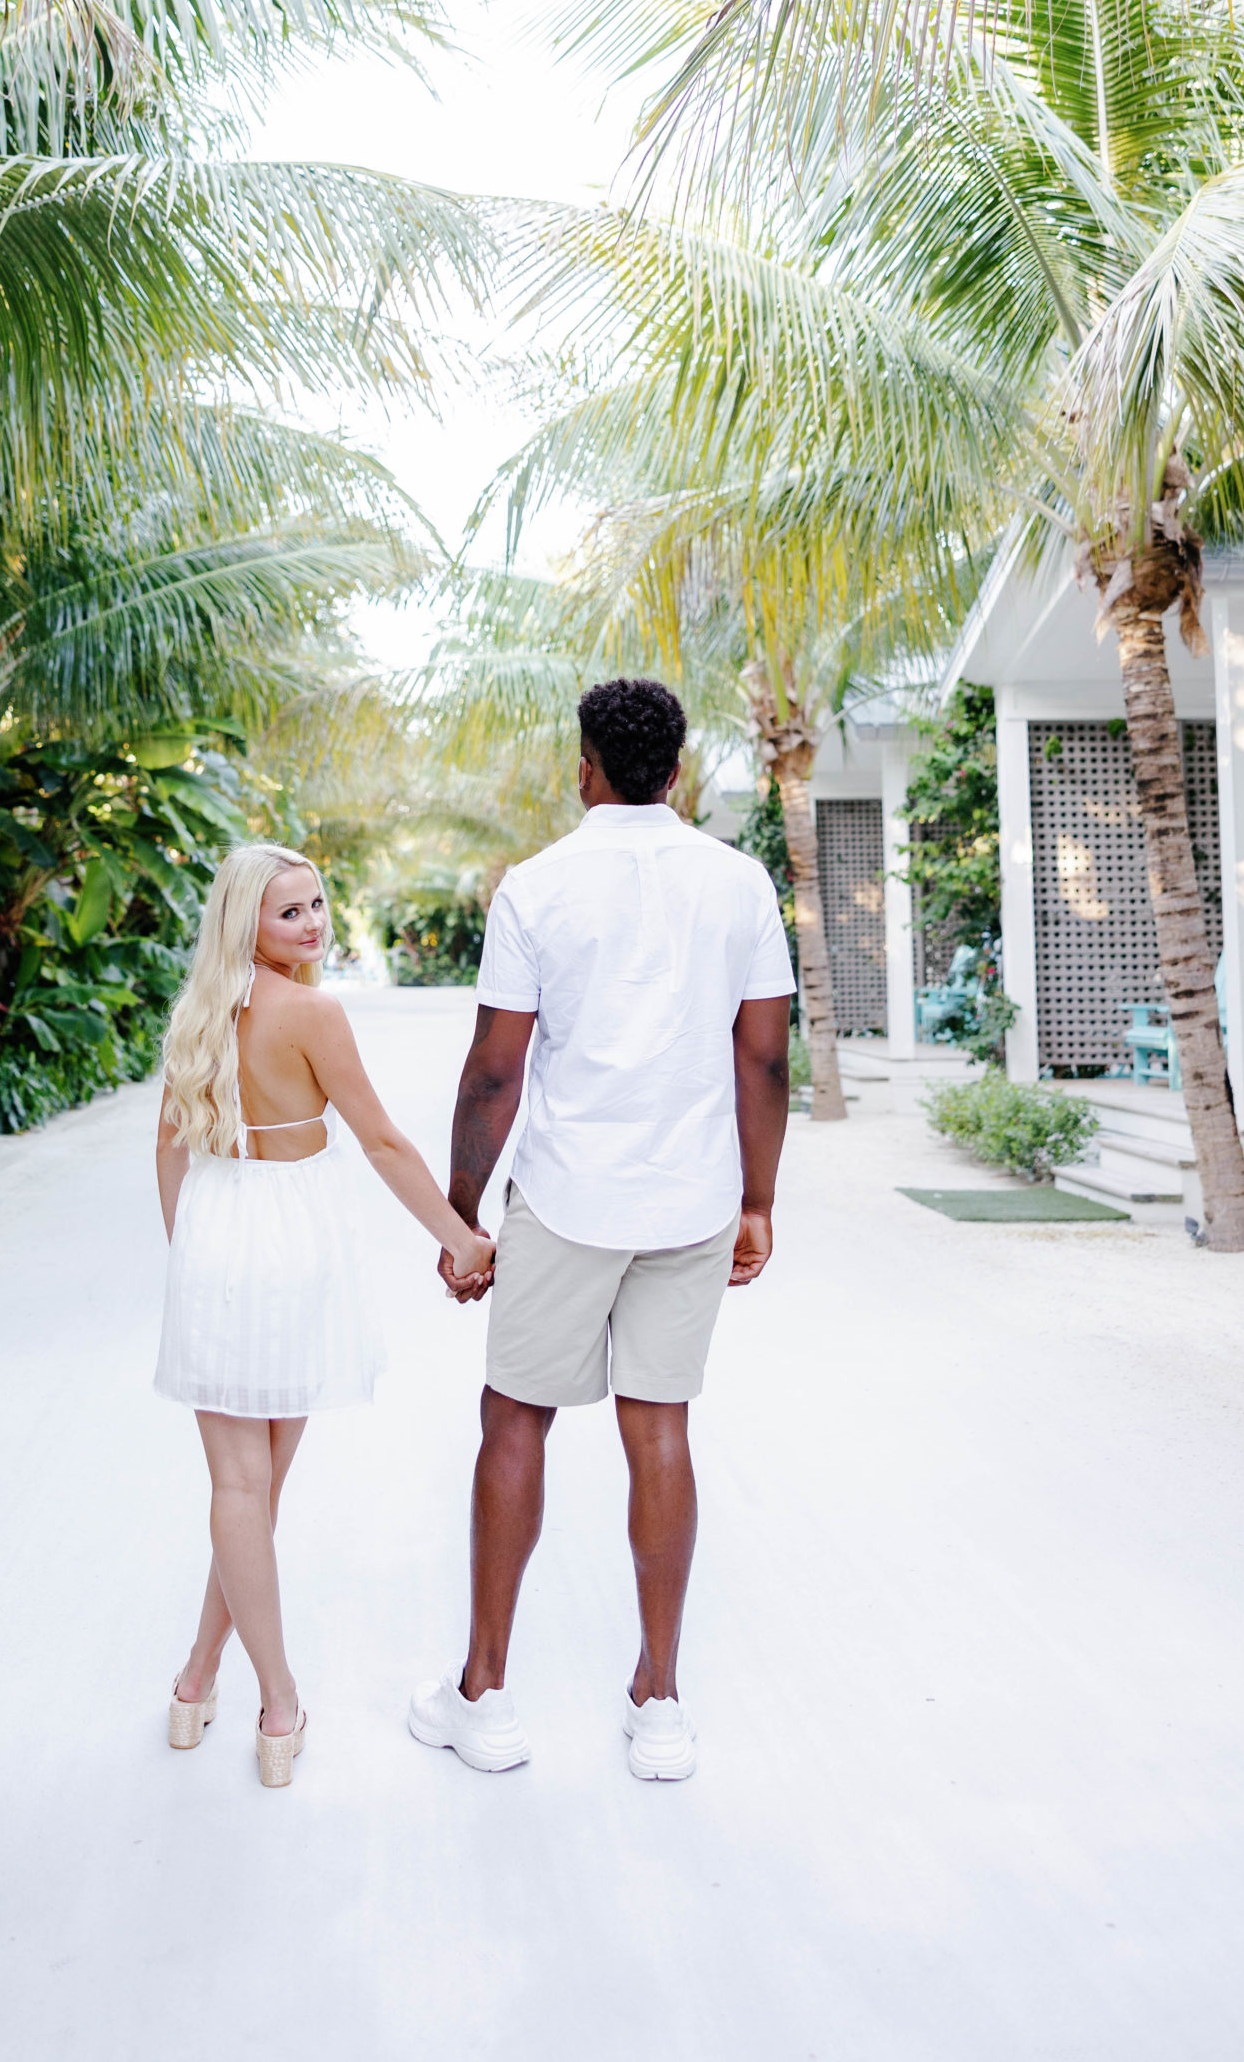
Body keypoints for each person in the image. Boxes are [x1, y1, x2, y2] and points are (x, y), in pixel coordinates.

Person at [408, 677, 794, 1782]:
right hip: (690, 1199)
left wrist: (461, 1211)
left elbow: (495, 1067)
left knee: (516, 1418)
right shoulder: (739, 884)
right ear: (675, 772)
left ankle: (485, 1693)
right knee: (658, 1426)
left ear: (586, 765)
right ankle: (659, 1701)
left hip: (570, 1195)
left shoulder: (536, 886)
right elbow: (763, 1057)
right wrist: (757, 1199)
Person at [155, 841, 494, 1788]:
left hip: (217, 1232)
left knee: (238, 1496)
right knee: (255, 1496)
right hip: (293, 1240)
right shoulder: (312, 1012)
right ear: (246, 924)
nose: (313, 924)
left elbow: (170, 1151)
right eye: (290, 912)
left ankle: (194, 1684)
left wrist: (191, 1257)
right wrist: (462, 1237)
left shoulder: (198, 1013)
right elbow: (380, 1140)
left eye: (316, 905)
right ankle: (279, 1706)